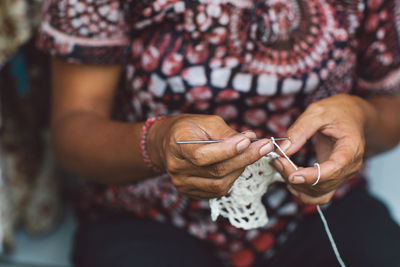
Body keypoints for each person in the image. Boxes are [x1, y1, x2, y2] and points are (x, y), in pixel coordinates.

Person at [37, 0, 400, 266]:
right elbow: (74, 127)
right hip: (147, 215)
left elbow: (391, 111)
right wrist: (158, 143)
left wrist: (360, 117)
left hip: (320, 208)